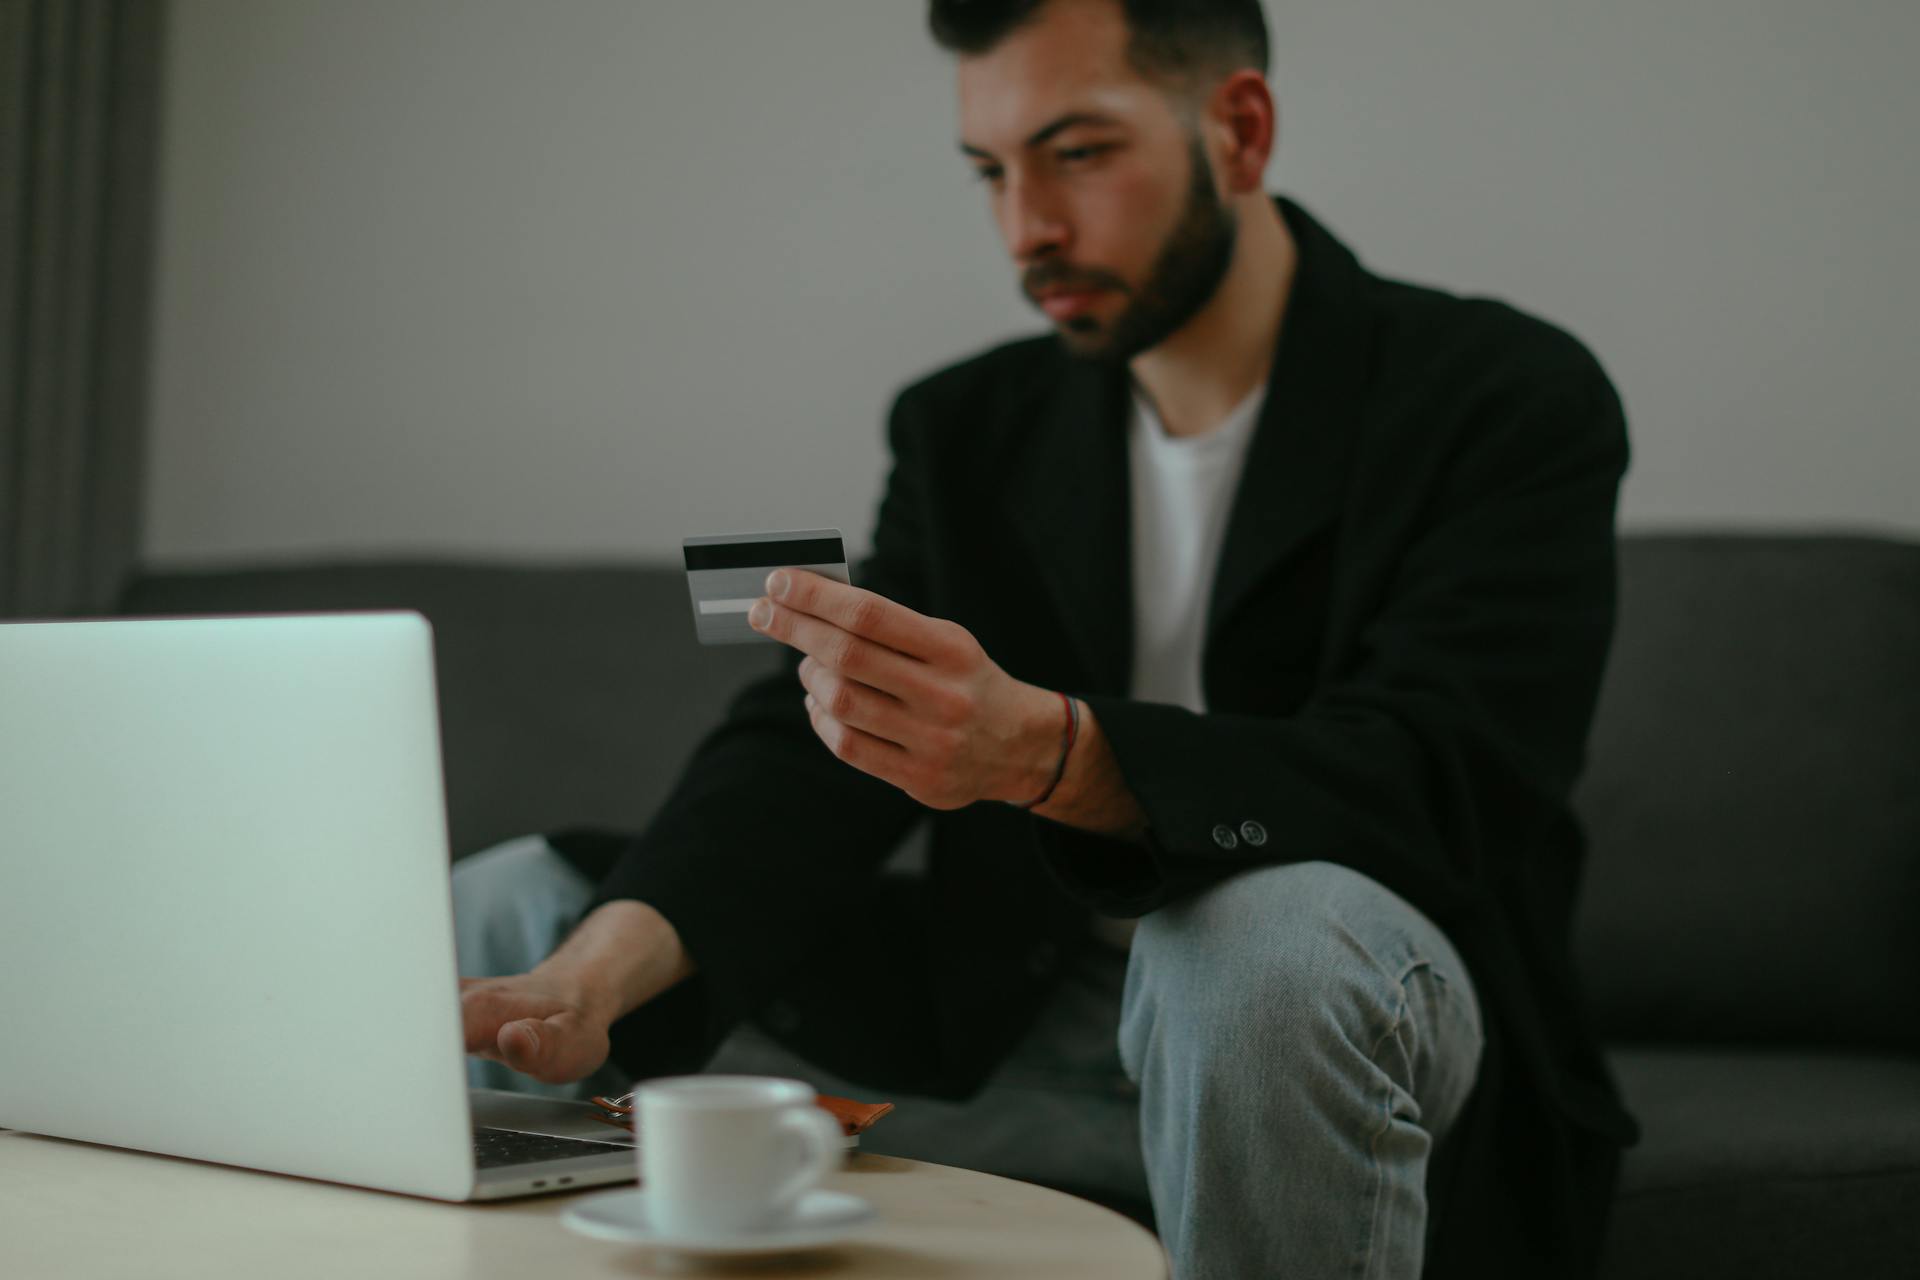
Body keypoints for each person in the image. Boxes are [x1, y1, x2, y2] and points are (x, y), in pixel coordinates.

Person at [454, 1, 1639, 1275]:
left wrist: (1055, 758)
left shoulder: (1503, 395)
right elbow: (812, 761)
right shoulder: (966, 426)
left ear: (1237, 130)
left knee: (1243, 949)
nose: (1028, 228)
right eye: (991, 171)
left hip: (1328, 1021)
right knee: (521, 903)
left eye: (1079, 154)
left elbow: (1439, 783)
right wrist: (591, 979)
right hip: (1012, 1016)